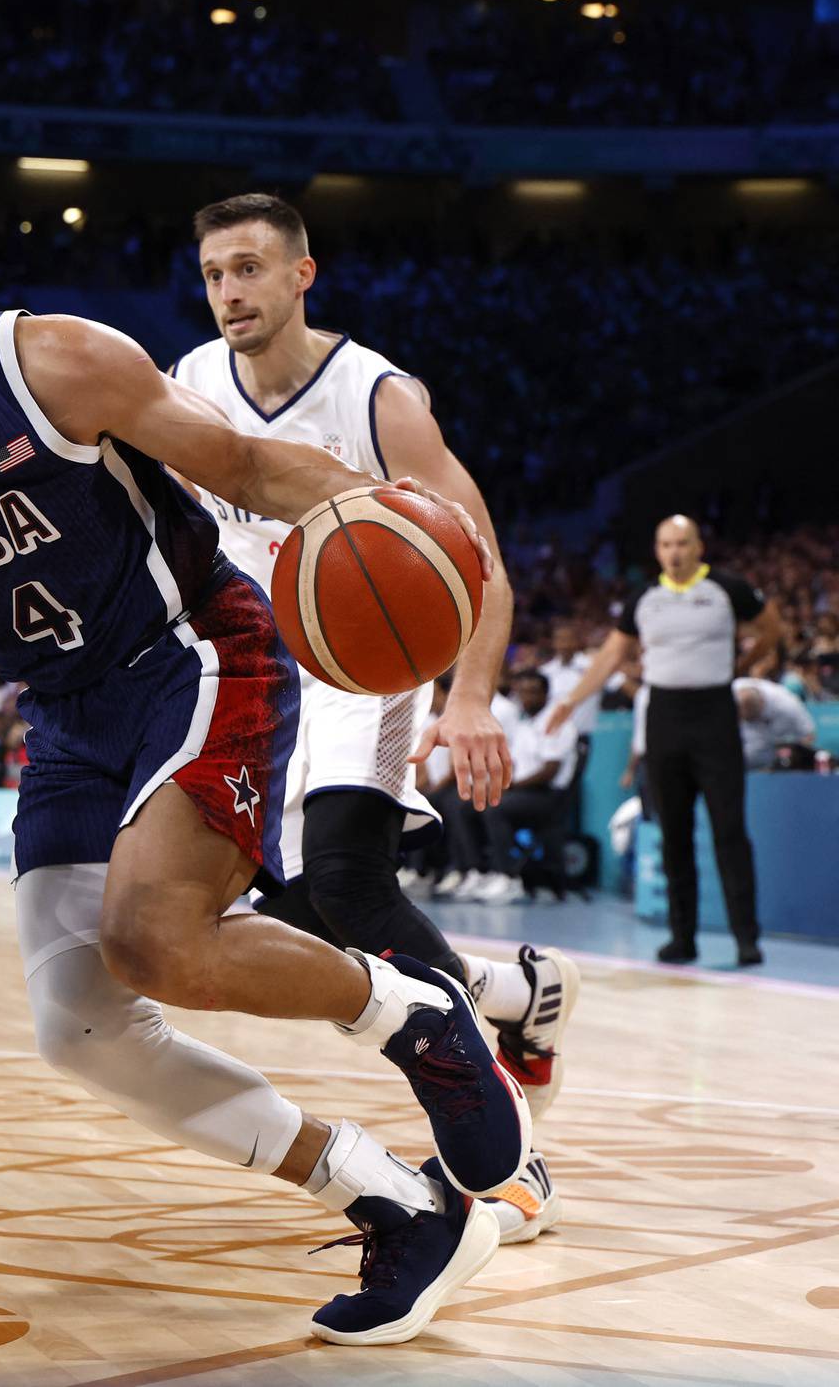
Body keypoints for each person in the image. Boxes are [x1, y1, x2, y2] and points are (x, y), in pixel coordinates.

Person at [0, 163, 527, 1344]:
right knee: (79, 1027)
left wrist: (369, 515)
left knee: (151, 939)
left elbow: (239, 469)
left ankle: (415, 1017)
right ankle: (394, 1200)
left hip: (195, 652)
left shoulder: (52, 364)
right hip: (69, 715)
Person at [170, 195, 578, 1187]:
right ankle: (505, 990)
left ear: (303, 275)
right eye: (217, 272)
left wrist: (469, 698)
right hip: (253, 672)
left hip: (365, 665)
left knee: (353, 884)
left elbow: (479, 557)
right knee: (287, 909)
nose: (231, 290)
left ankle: (502, 1145)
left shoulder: (377, 399)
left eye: (252, 268)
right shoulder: (187, 384)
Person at [548, 515, 783, 966]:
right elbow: (612, 654)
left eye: (682, 543)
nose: (674, 552)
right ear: (657, 550)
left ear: (698, 547)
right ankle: (682, 937)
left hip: (715, 714)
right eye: (666, 544)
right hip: (665, 718)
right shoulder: (644, 598)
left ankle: (746, 938)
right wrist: (573, 700)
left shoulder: (727, 588)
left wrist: (743, 663)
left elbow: (771, 629)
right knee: (672, 832)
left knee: (728, 830)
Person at [482, 671, 579, 888]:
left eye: (533, 692)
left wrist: (510, 786)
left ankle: (508, 877)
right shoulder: (524, 722)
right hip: (523, 791)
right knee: (465, 803)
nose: (527, 698)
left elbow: (549, 772)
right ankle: (475, 870)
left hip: (548, 796)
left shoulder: (557, 722)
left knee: (496, 808)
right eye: (523, 692)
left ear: (546, 694)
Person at [733, 676, 817, 770]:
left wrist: (794, 758)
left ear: (762, 703)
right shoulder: (730, 692)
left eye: (752, 718)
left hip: (773, 762)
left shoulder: (788, 705)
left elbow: (809, 735)